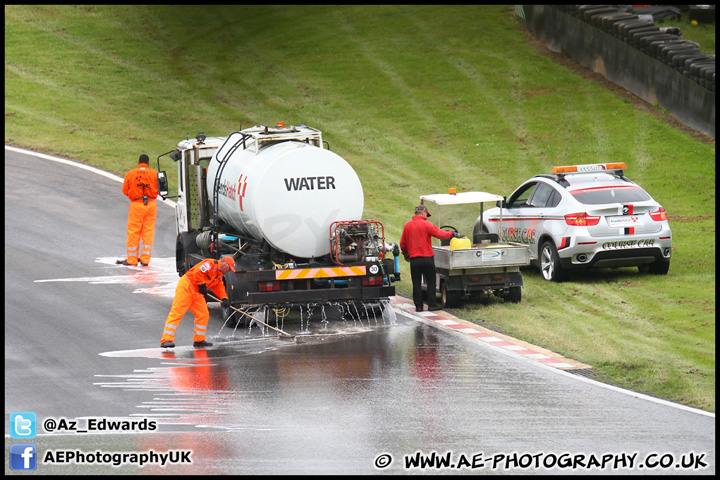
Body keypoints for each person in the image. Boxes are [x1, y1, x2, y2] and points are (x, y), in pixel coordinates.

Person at [160, 256, 236, 348]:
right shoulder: (210, 264)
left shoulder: (219, 275)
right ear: (225, 264)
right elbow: (197, 272)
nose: (229, 271)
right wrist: (202, 285)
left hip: (197, 292)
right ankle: (166, 340)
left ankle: (199, 340)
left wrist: (224, 298)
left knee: (203, 314)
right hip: (187, 287)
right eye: (229, 268)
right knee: (177, 313)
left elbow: (219, 286)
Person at [400, 204, 461, 311]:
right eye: (426, 214)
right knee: (431, 282)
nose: (426, 216)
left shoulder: (407, 226)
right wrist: (453, 233)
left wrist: (406, 253)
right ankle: (432, 305)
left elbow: (402, 243)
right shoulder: (426, 224)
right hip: (427, 258)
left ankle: (419, 306)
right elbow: (441, 234)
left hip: (414, 260)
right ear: (423, 212)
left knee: (416, 282)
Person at [117, 154, 158, 266]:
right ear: (148, 163)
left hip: (137, 204)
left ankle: (132, 260)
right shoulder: (154, 174)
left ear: (138, 162)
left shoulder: (131, 173)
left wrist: (134, 194)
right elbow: (160, 188)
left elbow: (125, 190)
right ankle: (145, 259)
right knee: (148, 231)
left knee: (134, 232)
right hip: (151, 205)